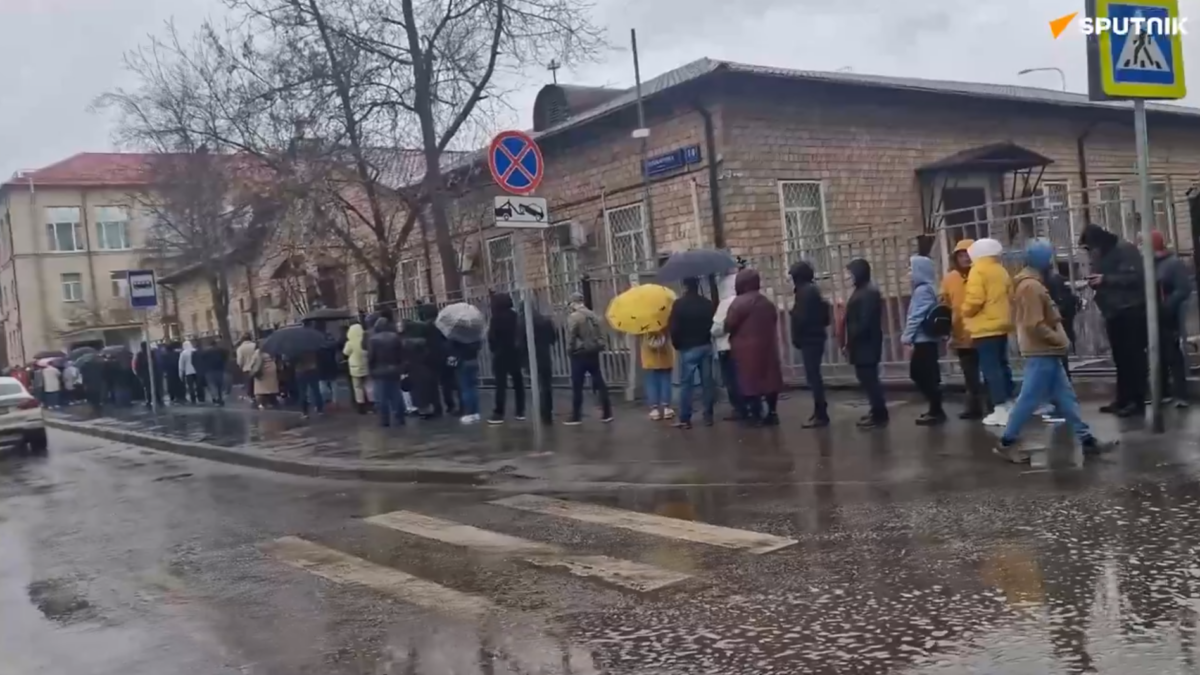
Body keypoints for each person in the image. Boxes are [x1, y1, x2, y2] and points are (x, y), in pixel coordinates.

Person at [995, 240, 1115, 463]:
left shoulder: (1031, 283)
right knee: (1029, 399)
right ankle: (1007, 442)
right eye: (1049, 257)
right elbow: (1034, 323)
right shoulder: (1031, 286)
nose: (1051, 262)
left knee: (1066, 398)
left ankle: (1087, 440)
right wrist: (1059, 339)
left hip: (1046, 351)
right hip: (1042, 351)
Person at [1080, 223, 1147, 417]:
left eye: (1091, 248)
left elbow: (1135, 277)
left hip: (1130, 311)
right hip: (1113, 312)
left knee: (1133, 358)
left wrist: (1106, 279)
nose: (1091, 252)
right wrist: (1097, 282)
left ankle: (1137, 401)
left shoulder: (1125, 250)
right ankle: (1123, 399)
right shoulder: (1103, 253)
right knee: (1120, 359)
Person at [962, 238, 1014, 427]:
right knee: (1002, 365)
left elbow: (975, 299)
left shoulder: (978, 270)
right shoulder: (1001, 270)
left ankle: (999, 409)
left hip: (985, 328)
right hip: (1002, 324)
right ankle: (1009, 403)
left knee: (991, 369)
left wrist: (965, 311)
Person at [725, 269, 785, 426]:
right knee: (770, 379)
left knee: (749, 381)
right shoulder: (766, 302)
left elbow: (729, 324)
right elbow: (773, 319)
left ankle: (755, 415)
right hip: (768, 347)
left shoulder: (738, 303)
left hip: (745, 349)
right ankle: (772, 412)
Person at [940, 239, 985, 419]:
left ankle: (995, 405)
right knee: (970, 374)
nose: (965, 258)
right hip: (961, 334)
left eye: (968, 254)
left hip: (983, 332)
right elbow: (944, 303)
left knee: (990, 372)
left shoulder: (982, 273)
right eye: (961, 255)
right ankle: (974, 407)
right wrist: (946, 328)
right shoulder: (950, 278)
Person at [843, 258, 888, 429]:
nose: (848, 277)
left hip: (866, 344)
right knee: (866, 378)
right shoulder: (862, 291)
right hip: (862, 344)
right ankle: (876, 409)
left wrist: (850, 339)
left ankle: (879, 414)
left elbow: (864, 321)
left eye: (850, 273)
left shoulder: (868, 293)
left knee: (869, 379)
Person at [902, 255, 946, 426]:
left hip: (924, 339)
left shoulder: (922, 291)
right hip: (927, 339)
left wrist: (907, 336)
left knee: (918, 373)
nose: (909, 273)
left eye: (911, 269)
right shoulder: (927, 288)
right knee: (929, 374)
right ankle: (935, 409)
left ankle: (936, 409)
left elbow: (916, 315)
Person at [669, 277, 717, 428]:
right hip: (705, 345)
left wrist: (677, 344)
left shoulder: (679, 305)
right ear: (697, 286)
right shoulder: (707, 304)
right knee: (707, 383)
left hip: (687, 348)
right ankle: (708, 416)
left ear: (685, 287)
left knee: (686, 384)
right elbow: (713, 324)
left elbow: (674, 327)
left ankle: (685, 418)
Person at [1150, 231, 1192, 407]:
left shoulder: (1172, 264)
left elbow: (1183, 288)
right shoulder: (1149, 263)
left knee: (1173, 354)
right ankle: (1163, 392)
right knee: (1156, 353)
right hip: (1152, 316)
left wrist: (1167, 306)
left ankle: (1180, 394)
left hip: (1168, 315)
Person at [789, 260, 831, 428]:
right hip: (814, 338)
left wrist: (794, 316)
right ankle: (819, 411)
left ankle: (821, 413)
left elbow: (803, 318)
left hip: (810, 339)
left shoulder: (805, 292)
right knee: (813, 376)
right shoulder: (811, 290)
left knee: (813, 377)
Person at [565, 292, 612, 425]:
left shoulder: (574, 317)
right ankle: (607, 413)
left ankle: (576, 416)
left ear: (573, 303)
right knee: (599, 381)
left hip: (579, 353)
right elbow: (600, 333)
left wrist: (569, 350)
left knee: (577, 385)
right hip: (593, 352)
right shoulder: (593, 314)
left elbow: (571, 337)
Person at [710, 272, 746, 420]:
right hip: (743, 347)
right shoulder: (745, 300)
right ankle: (749, 406)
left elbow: (716, 329)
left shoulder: (725, 304)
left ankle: (738, 409)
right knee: (744, 378)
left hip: (726, 347)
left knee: (731, 380)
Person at [487, 293, 526, 424]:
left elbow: (491, 337)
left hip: (500, 355)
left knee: (500, 385)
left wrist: (494, 349)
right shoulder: (515, 316)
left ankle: (499, 412)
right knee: (518, 383)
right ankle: (520, 411)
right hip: (515, 353)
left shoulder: (496, 318)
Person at [518, 306, 558, 425]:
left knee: (536, 385)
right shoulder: (546, 321)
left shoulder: (521, 322)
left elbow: (519, 343)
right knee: (546, 385)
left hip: (530, 358)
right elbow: (553, 339)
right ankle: (547, 412)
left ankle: (541, 411)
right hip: (545, 356)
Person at [367, 316, 406, 427]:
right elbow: (401, 354)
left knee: (381, 398)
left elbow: (371, 357)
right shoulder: (395, 337)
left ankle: (385, 420)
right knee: (396, 395)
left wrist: (371, 370)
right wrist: (400, 367)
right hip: (394, 370)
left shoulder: (373, 339)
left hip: (379, 371)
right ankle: (400, 417)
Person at [640, 329, 675, 421]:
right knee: (666, 381)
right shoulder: (664, 322)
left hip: (649, 357)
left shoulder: (643, 324)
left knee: (651, 382)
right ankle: (666, 408)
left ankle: (654, 409)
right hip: (665, 354)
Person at [450, 337, 482, 424]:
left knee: (465, 389)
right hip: (474, 361)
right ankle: (475, 412)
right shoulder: (475, 334)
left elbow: (452, 347)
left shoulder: (457, 335)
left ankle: (469, 413)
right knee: (473, 388)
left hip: (463, 362)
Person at [343, 323, 370, 414]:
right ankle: (371, 403)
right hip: (365, 365)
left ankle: (361, 406)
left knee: (357, 387)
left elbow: (345, 352)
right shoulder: (365, 341)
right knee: (368, 385)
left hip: (355, 367)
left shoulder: (350, 343)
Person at [292, 349, 324, 419]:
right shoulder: (311, 347)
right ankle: (320, 409)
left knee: (302, 392)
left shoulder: (296, 349)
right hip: (312, 369)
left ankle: (305, 412)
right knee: (316, 390)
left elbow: (293, 361)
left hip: (301, 371)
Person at [236, 334, 257, 400]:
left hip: (246, 368)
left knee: (249, 385)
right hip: (256, 367)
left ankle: (252, 397)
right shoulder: (255, 346)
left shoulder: (240, 348)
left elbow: (240, 360)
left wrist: (240, 366)